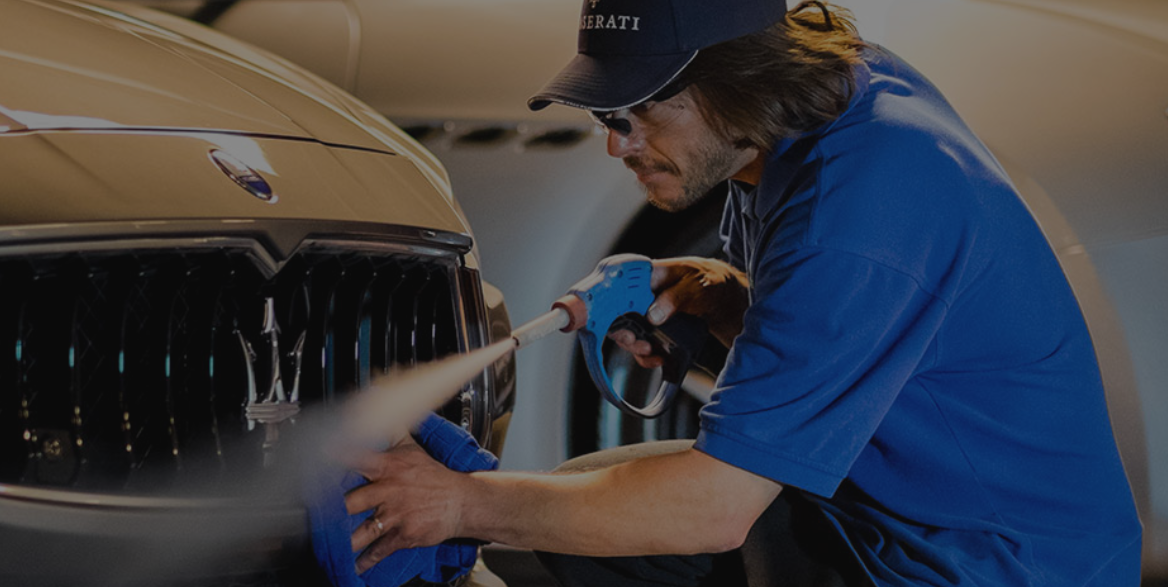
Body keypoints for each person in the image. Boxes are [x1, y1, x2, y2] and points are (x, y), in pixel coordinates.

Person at [342, 0, 1143, 585]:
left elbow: (713, 507)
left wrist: (452, 505)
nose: (617, 143)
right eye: (604, 112)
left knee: (551, 532)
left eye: (642, 109)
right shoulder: (817, 102)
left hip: (986, 564)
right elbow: (865, 344)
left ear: (738, 80)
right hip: (879, 515)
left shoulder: (861, 206)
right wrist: (731, 306)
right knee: (562, 516)